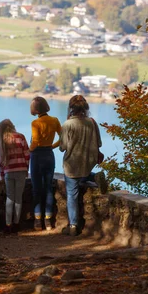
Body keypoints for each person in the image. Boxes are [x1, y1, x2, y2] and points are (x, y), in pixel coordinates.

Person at [59, 95, 106, 237]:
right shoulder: (91, 122)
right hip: (87, 162)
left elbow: (62, 147)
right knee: (82, 177)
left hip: (72, 164)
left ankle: (73, 225)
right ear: (86, 108)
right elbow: (99, 143)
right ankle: (94, 176)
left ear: (71, 108)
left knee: (72, 195)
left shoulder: (68, 125)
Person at [29, 96, 61, 231]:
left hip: (37, 155)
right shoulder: (54, 121)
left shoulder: (36, 123)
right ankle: (48, 221)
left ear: (35, 109)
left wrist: (27, 150)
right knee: (48, 188)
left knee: (36, 188)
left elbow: (35, 142)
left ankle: (37, 221)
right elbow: (63, 137)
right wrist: (52, 146)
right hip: (49, 155)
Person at [0, 119, 30, 234]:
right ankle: (16, 223)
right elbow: (27, 154)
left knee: (9, 198)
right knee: (18, 198)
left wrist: (2, 176)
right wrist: (26, 168)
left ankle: (8, 224)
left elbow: (0, 160)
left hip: (8, 172)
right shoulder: (20, 137)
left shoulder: (2, 140)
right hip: (21, 170)